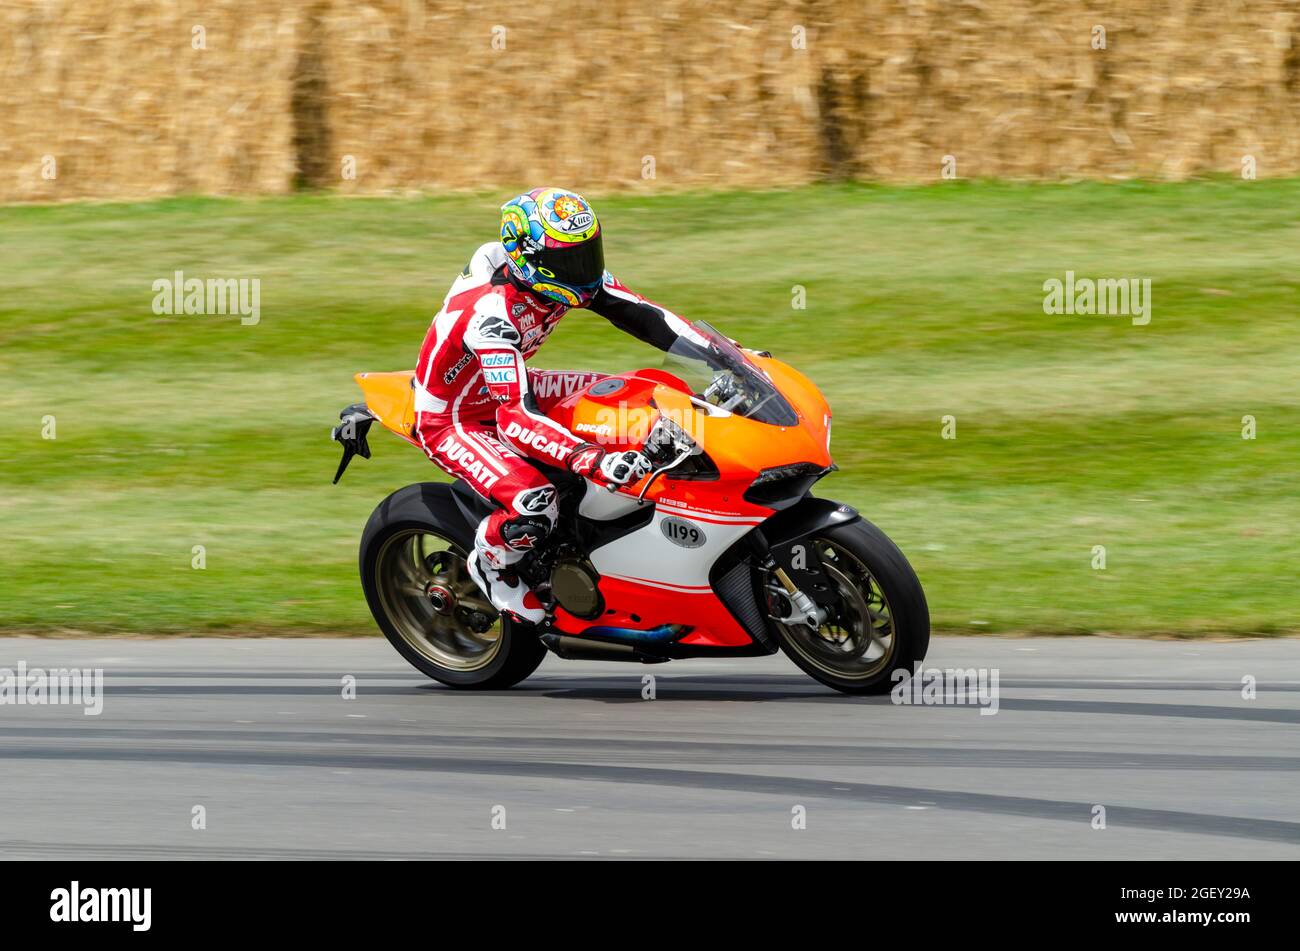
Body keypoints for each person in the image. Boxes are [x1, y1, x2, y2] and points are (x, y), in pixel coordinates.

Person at [412, 187, 705, 623]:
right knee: (535, 501)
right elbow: (514, 418)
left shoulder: (561, 278)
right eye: (571, 261)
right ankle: (491, 561)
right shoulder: (492, 317)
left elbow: (649, 317)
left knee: (634, 394)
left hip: (509, 384)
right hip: (454, 416)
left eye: (589, 253)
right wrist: (589, 458)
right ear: (530, 261)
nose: (585, 270)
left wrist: (730, 356)